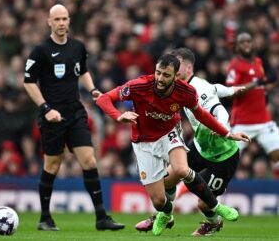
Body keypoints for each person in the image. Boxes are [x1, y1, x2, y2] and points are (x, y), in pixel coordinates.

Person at [96, 53, 250, 236]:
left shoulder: (186, 92)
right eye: (158, 73)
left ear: (176, 75)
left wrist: (227, 133)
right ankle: (166, 214)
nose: (160, 78)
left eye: (166, 75)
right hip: (143, 142)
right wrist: (118, 116)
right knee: (159, 200)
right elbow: (103, 99)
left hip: (169, 134)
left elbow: (201, 114)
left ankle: (217, 207)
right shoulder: (139, 85)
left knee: (182, 170)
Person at [23, 4, 124, 231]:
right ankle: (45, 218)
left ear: (69, 21)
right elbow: (28, 82)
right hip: (52, 116)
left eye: (65, 19)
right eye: (57, 19)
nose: (61, 23)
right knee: (52, 164)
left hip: (75, 112)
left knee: (89, 160)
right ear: (49, 22)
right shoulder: (40, 51)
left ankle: (101, 217)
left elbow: (83, 71)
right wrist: (46, 108)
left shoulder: (78, 47)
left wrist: (93, 90)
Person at [135, 48, 245, 236]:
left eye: (177, 66)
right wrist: (231, 90)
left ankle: (213, 221)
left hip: (222, 156)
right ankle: (165, 215)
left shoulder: (198, 88)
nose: (173, 69)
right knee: (168, 180)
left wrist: (221, 128)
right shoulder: (184, 86)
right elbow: (216, 88)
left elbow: (221, 111)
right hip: (200, 148)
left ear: (188, 67)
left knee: (203, 203)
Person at [226, 32, 279, 168]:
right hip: (243, 123)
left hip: (263, 120)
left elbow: (260, 85)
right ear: (237, 47)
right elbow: (230, 93)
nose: (246, 44)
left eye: (248, 41)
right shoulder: (234, 66)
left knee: (277, 157)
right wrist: (256, 84)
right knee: (227, 163)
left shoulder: (258, 61)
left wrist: (263, 93)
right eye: (242, 42)